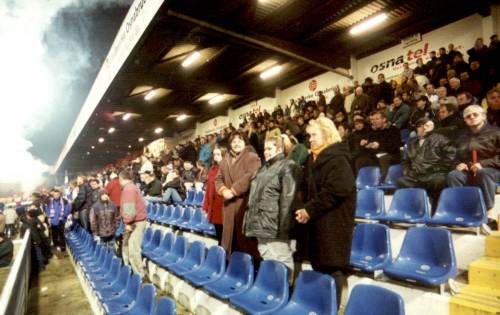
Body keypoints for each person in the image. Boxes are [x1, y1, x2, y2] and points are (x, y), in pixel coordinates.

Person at [295, 116, 356, 307]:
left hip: (334, 222)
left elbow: (337, 189)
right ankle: (323, 306)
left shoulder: (338, 158)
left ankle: (336, 308)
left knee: (333, 266)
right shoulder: (314, 159)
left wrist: (309, 210)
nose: (310, 139)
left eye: (314, 135)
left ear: (327, 134)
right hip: (319, 221)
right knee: (320, 264)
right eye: (308, 135)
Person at [244, 136, 300, 281]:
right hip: (261, 225)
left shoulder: (289, 165)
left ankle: (285, 292)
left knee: (282, 261)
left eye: (269, 148)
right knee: (268, 260)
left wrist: (284, 229)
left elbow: (289, 199)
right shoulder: (263, 169)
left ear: (279, 149)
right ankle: (274, 291)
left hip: (276, 226)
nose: (266, 152)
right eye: (264, 149)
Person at [447, 105, 500, 231]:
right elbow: (455, 156)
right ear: (465, 120)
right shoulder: (462, 136)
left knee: (483, 173)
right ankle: (460, 213)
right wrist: (459, 164)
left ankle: (490, 216)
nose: (471, 117)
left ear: (483, 116)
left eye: (475, 114)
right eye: (468, 116)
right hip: (469, 170)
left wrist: (484, 164)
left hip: (493, 170)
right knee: (454, 175)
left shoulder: (496, 132)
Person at [215, 131, 262, 256]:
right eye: (233, 141)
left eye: (239, 141)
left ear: (245, 142)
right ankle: (232, 269)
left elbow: (252, 175)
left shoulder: (252, 156)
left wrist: (234, 190)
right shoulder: (226, 159)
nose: (236, 144)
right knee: (231, 241)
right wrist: (223, 190)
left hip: (244, 204)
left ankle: (249, 270)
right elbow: (218, 178)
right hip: (229, 205)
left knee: (246, 243)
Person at [397, 118, 456, 207]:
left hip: (435, 174)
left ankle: (436, 211)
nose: (424, 128)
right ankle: (414, 211)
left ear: (432, 127)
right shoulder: (411, 143)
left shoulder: (442, 139)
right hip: (416, 176)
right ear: (416, 128)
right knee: (401, 181)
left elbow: (450, 158)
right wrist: (408, 172)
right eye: (420, 126)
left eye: (427, 126)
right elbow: (405, 161)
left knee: (438, 181)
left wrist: (435, 170)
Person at [355, 111, 402, 178]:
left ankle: (382, 182)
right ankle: (360, 183)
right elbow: (371, 144)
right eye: (373, 120)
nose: (374, 121)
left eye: (377, 119)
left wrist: (379, 145)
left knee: (383, 158)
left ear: (384, 119)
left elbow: (394, 146)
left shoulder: (394, 130)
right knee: (359, 160)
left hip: (391, 156)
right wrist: (366, 145)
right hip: (376, 156)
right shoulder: (374, 131)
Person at [118, 170, 147, 275]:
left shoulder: (129, 189)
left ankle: (139, 275)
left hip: (135, 222)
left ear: (121, 179)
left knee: (133, 250)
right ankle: (128, 270)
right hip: (135, 221)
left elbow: (129, 209)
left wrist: (128, 223)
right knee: (126, 246)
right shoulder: (132, 187)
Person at [203, 145, 226, 243]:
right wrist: (206, 205)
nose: (216, 156)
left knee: (225, 232)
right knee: (218, 231)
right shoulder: (212, 169)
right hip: (214, 204)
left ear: (224, 155)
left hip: (223, 204)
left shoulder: (228, 168)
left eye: (218, 154)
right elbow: (208, 189)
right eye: (214, 154)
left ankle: (226, 254)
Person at [45, 189, 71, 257]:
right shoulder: (49, 201)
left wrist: (64, 215)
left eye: (57, 194)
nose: (56, 196)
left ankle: (62, 247)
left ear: (59, 194)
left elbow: (68, 208)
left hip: (61, 220)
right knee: (54, 234)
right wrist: (48, 217)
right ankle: (56, 245)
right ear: (53, 195)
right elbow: (47, 209)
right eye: (55, 195)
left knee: (61, 234)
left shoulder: (64, 201)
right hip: (53, 221)